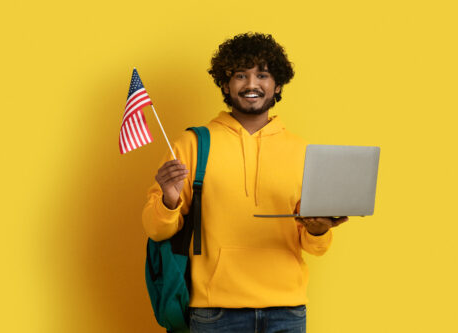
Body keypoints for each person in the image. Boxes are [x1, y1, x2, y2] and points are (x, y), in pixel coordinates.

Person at [142, 32, 348, 333]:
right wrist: (168, 201)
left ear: (277, 85)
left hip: (287, 313)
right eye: (241, 75)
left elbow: (315, 248)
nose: (252, 84)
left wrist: (318, 231)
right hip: (214, 313)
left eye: (262, 75)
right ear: (225, 85)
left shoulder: (304, 152)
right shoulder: (191, 144)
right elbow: (154, 228)